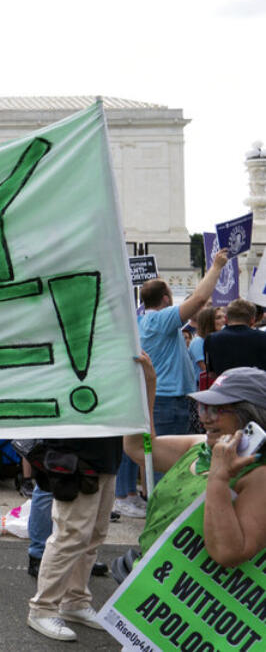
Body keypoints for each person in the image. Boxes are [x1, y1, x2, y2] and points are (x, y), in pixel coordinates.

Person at [26, 356, 141, 642]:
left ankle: (74, 601)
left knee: (92, 536)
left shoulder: (110, 358)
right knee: (71, 535)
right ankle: (43, 608)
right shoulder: (71, 358)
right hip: (77, 458)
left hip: (104, 457)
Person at [123, 364, 266, 573]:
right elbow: (138, 448)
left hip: (191, 599)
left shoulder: (259, 474)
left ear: (251, 417)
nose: (205, 418)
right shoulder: (199, 446)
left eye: (217, 410)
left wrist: (218, 479)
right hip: (148, 586)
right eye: (203, 407)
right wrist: (146, 388)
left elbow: (228, 553)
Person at [137, 248, 229, 437]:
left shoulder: (144, 321)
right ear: (165, 299)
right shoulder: (160, 319)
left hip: (163, 399)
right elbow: (199, 299)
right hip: (168, 401)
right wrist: (216, 266)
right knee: (168, 461)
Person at [203, 298, 266, 379]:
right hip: (257, 388)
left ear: (226, 319)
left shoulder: (211, 339)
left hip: (224, 389)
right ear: (252, 320)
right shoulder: (263, 337)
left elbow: (211, 373)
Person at [188, 306, 223, 390]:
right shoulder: (198, 342)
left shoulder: (218, 340)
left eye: (223, 317)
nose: (223, 320)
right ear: (208, 322)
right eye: (218, 318)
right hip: (202, 387)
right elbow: (206, 369)